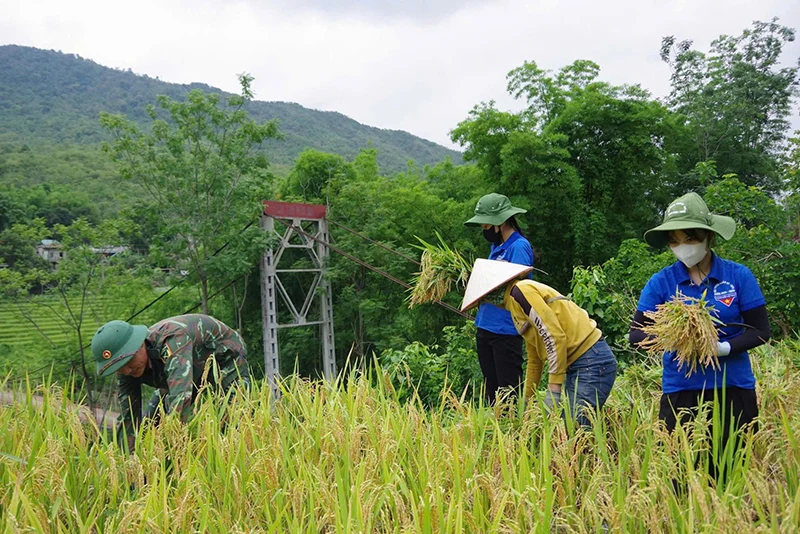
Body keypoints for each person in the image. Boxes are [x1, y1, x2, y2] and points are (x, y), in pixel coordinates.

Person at [629, 192, 770, 479]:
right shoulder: (661, 282)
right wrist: (679, 339)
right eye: (675, 241)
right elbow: (636, 335)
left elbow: (760, 331)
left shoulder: (738, 276)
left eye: (690, 239)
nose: (682, 247)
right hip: (681, 390)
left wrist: (721, 348)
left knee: (733, 474)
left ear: (707, 237)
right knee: (680, 476)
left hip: (733, 389)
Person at [461, 259, 617, 425]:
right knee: (569, 430)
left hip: (591, 360)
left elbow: (554, 336)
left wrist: (554, 388)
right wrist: (527, 400)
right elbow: (535, 357)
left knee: (574, 431)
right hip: (579, 365)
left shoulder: (520, 292)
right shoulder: (514, 308)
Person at [92, 313, 251, 449]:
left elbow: (180, 398)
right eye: (120, 368)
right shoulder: (125, 367)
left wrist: (172, 450)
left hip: (224, 358)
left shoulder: (172, 339)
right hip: (181, 370)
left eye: (129, 362)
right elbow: (129, 416)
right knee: (149, 428)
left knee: (233, 423)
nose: (127, 371)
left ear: (140, 345)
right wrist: (130, 461)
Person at [464, 193, 534, 405]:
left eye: (486, 226)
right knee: (491, 393)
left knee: (508, 395)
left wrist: (487, 292)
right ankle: (495, 434)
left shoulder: (519, 247)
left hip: (505, 330)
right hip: (485, 327)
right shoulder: (496, 247)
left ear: (500, 222)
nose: (484, 231)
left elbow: (519, 290)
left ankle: (513, 434)